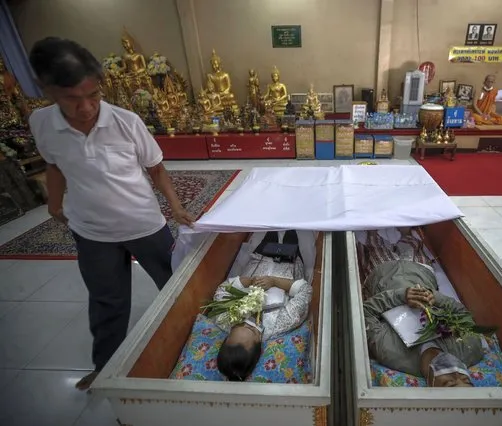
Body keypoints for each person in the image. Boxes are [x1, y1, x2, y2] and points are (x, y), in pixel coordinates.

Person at [28, 37, 195, 390]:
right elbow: (54, 165)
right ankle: (105, 366)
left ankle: (194, 349)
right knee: (107, 301)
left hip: (145, 224)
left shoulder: (126, 121)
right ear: (48, 91)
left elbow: (157, 169)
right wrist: (53, 202)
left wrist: (176, 207)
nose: (87, 108)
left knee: (175, 287)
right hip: (91, 232)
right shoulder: (42, 123)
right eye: (72, 99)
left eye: (94, 96)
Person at [361, 229, 483, 387]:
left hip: (384, 273)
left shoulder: (392, 354)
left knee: (374, 242)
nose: (456, 373)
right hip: (422, 272)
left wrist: (401, 295)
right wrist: (434, 297)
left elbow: (364, 313)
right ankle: (404, 230)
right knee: (411, 241)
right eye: (466, 379)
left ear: (431, 386)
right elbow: (461, 313)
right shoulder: (469, 349)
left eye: (450, 383)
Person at [215, 231, 312, 381]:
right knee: (294, 225)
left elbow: (223, 289)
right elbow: (305, 290)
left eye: (238, 326)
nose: (248, 322)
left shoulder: (225, 320)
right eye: (251, 329)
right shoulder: (280, 324)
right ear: (259, 343)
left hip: (259, 258)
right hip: (290, 259)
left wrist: (249, 281)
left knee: (268, 219)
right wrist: (275, 281)